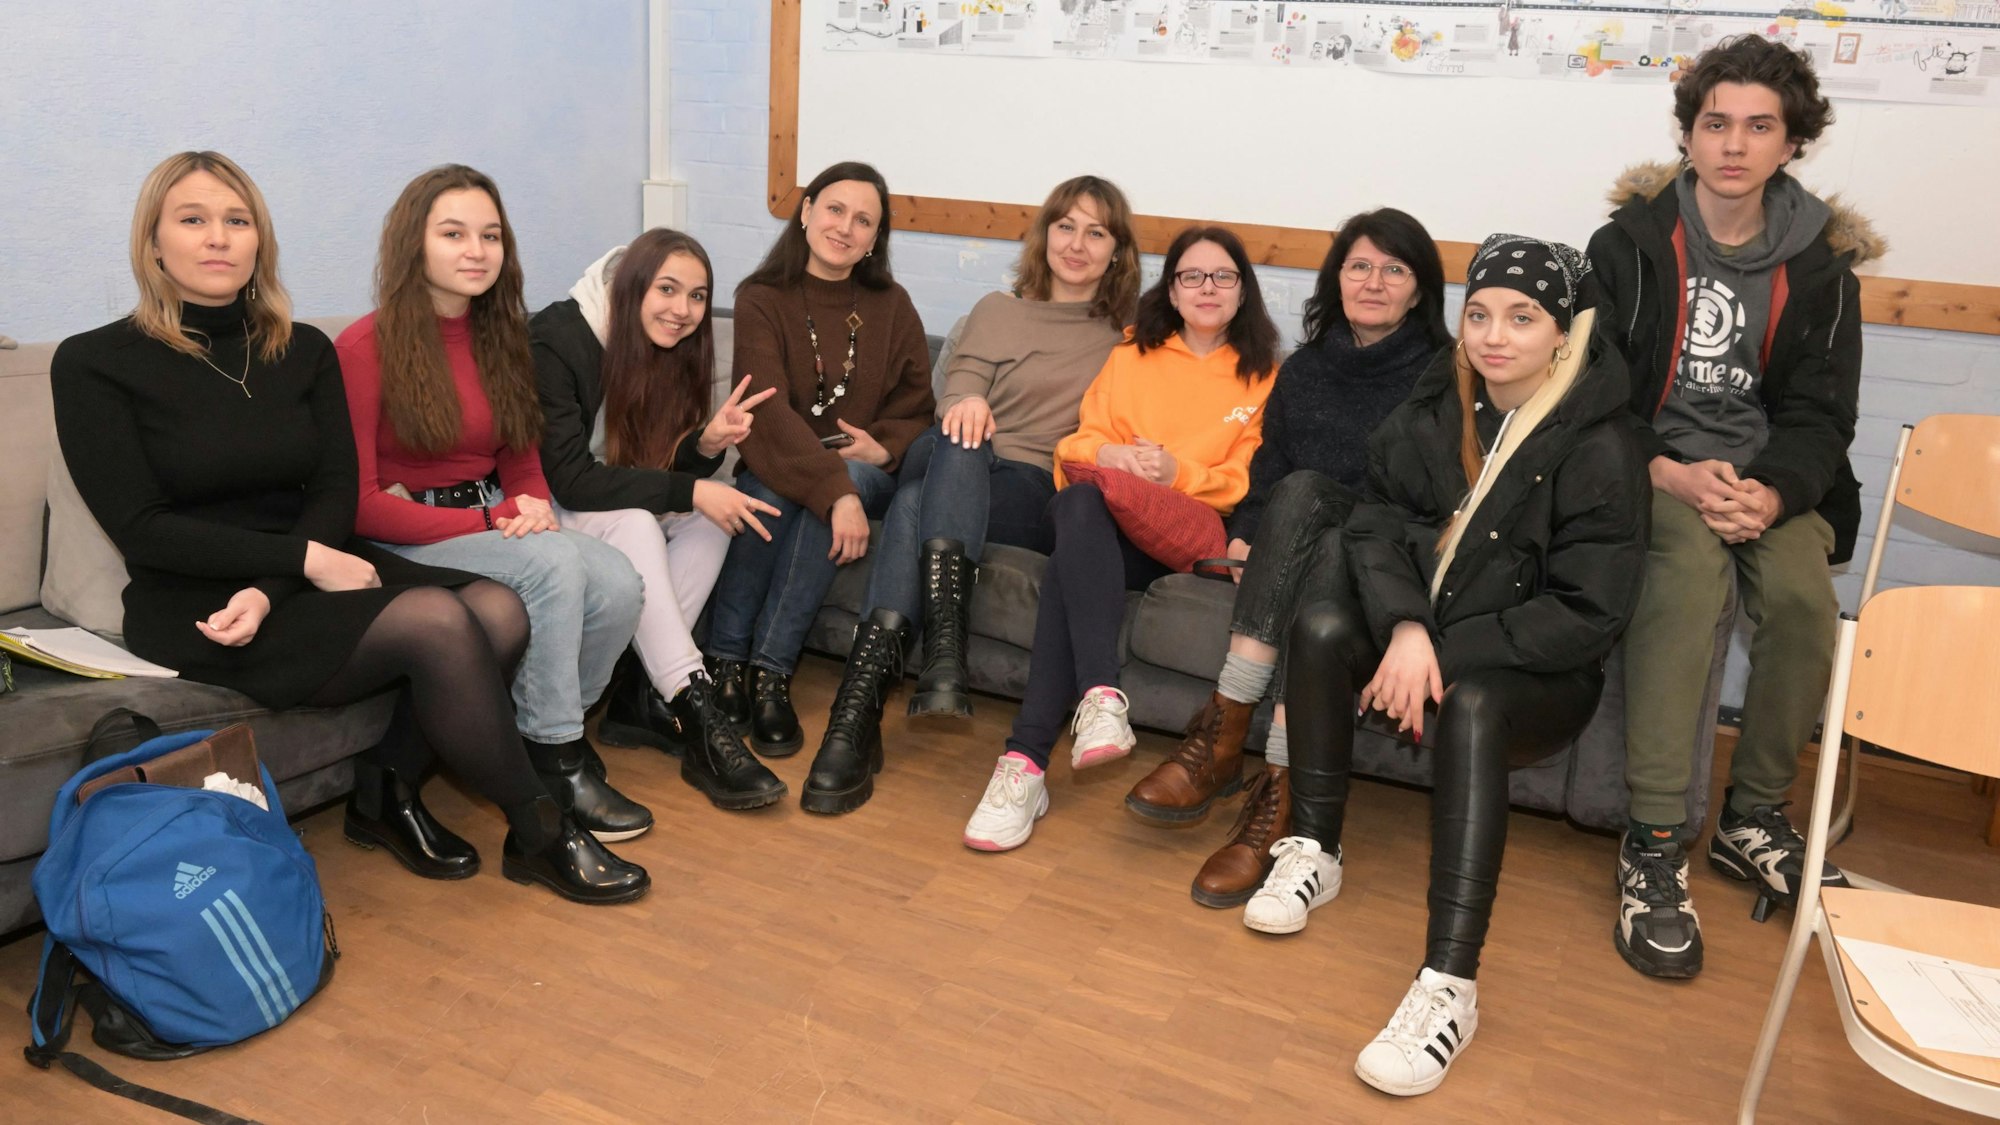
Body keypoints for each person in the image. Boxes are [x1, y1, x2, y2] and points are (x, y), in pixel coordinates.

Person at [52, 151, 646, 905]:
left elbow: (335, 487)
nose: (218, 238)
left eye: (237, 221)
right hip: (196, 597)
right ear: (152, 243)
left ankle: (385, 791)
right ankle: (539, 825)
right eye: (193, 220)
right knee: (437, 619)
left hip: (299, 573)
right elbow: (143, 529)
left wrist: (288, 575)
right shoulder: (94, 364)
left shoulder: (298, 349)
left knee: (500, 606)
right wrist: (299, 565)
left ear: (259, 241)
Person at [1244, 236, 1647, 1095]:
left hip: (1538, 667)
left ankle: (1450, 982)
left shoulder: (1602, 442)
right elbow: (1376, 523)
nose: (1495, 336)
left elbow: (1587, 613)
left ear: (1565, 334)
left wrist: (1439, 647)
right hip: (1428, 628)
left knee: (1470, 709)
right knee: (1319, 627)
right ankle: (1314, 846)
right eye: (1479, 314)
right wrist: (1404, 627)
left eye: (1523, 317)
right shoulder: (1440, 401)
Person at [1586, 34, 1879, 979]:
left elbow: (1822, 413)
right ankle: (1655, 837)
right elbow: (1593, 393)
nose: (1734, 146)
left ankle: (1753, 818)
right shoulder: (1627, 243)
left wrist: (1776, 491)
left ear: (1792, 143)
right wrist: (1666, 470)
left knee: (1801, 603)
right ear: (1688, 133)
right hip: (1658, 466)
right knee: (1686, 581)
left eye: (1760, 127)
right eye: (1716, 124)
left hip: (1771, 479)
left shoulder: (1826, 265)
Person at [1119, 208, 1452, 909]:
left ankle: (1246, 752)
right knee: (1299, 502)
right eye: (1359, 265)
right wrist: (1245, 533)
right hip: (1307, 537)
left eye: (1395, 269)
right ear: (1337, 278)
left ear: (1419, 291)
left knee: (1325, 527)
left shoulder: (1443, 375)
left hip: (1392, 552)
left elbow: (1427, 497)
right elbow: (1269, 474)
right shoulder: (1306, 368)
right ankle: (1263, 770)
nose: (1373, 281)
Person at [337, 164, 654, 846]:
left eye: (490, 235)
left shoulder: (504, 336)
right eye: (453, 233)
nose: (476, 250)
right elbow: (359, 504)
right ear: (412, 244)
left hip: (489, 519)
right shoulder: (364, 347)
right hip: (404, 532)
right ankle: (555, 759)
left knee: (619, 580)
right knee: (552, 567)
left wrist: (532, 505)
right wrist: (496, 520)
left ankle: (544, 722)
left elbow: (519, 458)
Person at [805, 174, 1140, 815]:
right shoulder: (996, 310)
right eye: (1065, 226)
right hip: (958, 455)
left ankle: (859, 716)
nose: (1077, 244)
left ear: (1118, 250)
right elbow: (955, 390)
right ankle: (942, 653)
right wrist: (969, 404)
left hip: (1031, 491)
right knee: (957, 442)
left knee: (909, 506)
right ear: (1043, 237)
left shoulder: (1128, 339)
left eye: (1097, 232)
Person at [961, 225, 1279, 853]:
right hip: (1103, 524)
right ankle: (1080, 716)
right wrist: (1109, 452)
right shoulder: (1131, 353)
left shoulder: (1265, 375)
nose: (1207, 288)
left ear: (1244, 292)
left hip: (1182, 536)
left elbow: (1248, 481)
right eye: (1191, 275)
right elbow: (1073, 448)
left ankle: (1032, 757)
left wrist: (1176, 473)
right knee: (1079, 505)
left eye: (1223, 276)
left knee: (1075, 540)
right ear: (1173, 288)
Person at [704, 160, 934, 813]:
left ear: (875, 237)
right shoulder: (761, 297)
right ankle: (728, 667)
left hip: (866, 471)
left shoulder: (893, 305)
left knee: (849, 477)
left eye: (864, 220)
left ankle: (769, 671)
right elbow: (764, 409)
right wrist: (833, 491)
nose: (846, 227)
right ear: (805, 212)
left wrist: (882, 446)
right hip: (787, 466)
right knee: (777, 487)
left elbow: (920, 406)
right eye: (835, 209)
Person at [531, 229, 789, 811]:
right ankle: (695, 710)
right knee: (651, 522)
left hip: (604, 506)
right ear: (629, 284)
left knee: (713, 518)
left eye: (697, 296)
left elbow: (648, 469)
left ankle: (644, 693)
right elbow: (572, 478)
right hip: (543, 509)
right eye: (667, 289)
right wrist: (692, 486)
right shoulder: (558, 337)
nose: (683, 310)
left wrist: (704, 446)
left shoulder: (668, 347)